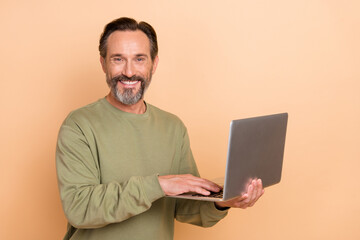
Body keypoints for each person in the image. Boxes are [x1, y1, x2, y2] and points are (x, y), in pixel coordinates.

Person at [56, 17, 264, 240]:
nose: (128, 72)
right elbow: (79, 208)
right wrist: (158, 185)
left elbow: (184, 208)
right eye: (118, 59)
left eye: (139, 59)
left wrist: (223, 202)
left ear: (153, 64)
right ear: (103, 63)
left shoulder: (173, 127)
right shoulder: (79, 125)